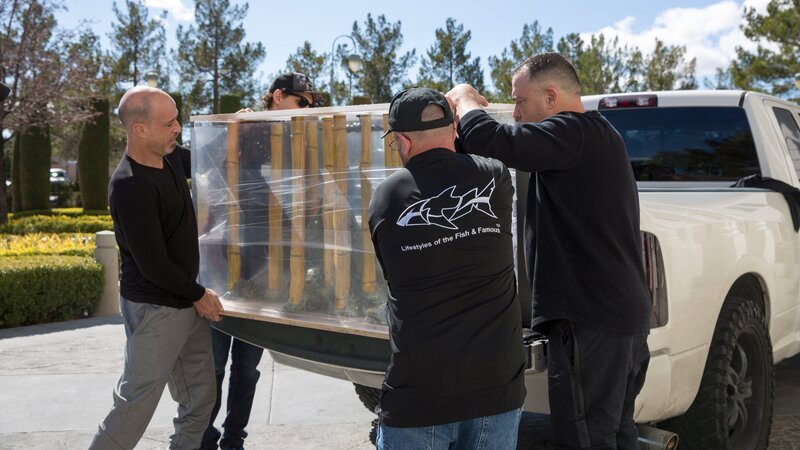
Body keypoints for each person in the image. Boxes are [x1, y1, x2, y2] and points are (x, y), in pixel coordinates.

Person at [446, 53, 652, 449]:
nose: (517, 113)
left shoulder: (572, 132)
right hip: (618, 319)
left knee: (586, 439)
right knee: (615, 435)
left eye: (520, 102)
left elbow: (499, 142)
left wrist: (464, 100)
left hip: (590, 322)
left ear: (552, 97)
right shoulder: (598, 134)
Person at [369, 87, 527, 449]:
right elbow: (472, 158)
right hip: (497, 388)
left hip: (420, 393)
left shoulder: (387, 197)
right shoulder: (495, 177)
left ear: (403, 141)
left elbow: (394, 276)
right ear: (455, 130)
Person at [89, 86, 224, 450]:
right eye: (169, 123)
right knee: (133, 408)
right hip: (156, 308)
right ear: (140, 129)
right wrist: (200, 295)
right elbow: (153, 265)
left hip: (186, 301)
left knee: (200, 400)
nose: (178, 128)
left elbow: (211, 156)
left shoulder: (168, 157)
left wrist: (239, 126)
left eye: (177, 118)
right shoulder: (130, 186)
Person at [200, 72, 322, 450]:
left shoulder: (298, 140)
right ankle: (204, 436)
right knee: (213, 364)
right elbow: (204, 163)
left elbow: (308, 199)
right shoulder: (246, 129)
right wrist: (233, 127)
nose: (307, 108)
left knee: (248, 367)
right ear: (277, 96)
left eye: (312, 104)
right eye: (302, 102)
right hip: (224, 267)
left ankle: (233, 439)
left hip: (267, 268)